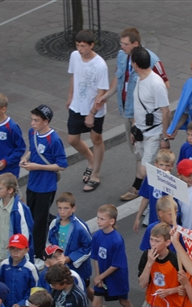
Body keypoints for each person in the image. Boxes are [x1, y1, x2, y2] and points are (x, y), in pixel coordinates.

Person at [95, 28, 169, 201]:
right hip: (131, 116)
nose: (121, 47)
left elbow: (165, 91)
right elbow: (119, 79)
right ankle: (150, 193)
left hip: (151, 126)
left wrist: (164, 134)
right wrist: (106, 96)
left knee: (147, 165)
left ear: (135, 44)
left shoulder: (151, 62)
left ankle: (152, 192)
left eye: (125, 44)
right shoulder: (124, 58)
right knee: (140, 155)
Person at [117, 46, 170, 201]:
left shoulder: (156, 84)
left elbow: (166, 111)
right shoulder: (140, 80)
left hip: (154, 134)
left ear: (135, 64)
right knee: (150, 169)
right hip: (141, 133)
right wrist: (134, 128)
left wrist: (164, 137)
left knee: (145, 170)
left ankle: (163, 197)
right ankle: (154, 198)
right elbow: (138, 107)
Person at [20, 104, 68, 266]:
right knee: (33, 216)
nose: (32, 123)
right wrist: (26, 158)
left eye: (36, 120)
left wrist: (37, 166)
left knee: (39, 222)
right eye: (32, 119)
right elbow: (32, 150)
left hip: (46, 186)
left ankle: (39, 254)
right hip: (33, 183)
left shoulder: (53, 139)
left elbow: (61, 164)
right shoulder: (32, 133)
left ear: (46, 121)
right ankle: (54, 221)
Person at [66, 30, 109, 193]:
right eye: (78, 45)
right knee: (72, 139)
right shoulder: (74, 56)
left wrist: (92, 113)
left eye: (83, 46)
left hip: (93, 109)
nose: (79, 49)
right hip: (77, 106)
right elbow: (74, 76)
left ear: (91, 45)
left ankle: (95, 174)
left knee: (96, 139)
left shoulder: (100, 65)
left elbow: (101, 92)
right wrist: (70, 96)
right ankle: (91, 160)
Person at [138, 223, 183, 307]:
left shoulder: (175, 260)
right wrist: (149, 263)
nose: (153, 244)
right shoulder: (147, 256)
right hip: (151, 305)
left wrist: (169, 291)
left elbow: (186, 285)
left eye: (157, 241)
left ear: (168, 242)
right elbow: (142, 283)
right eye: (151, 240)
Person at [47, 192, 93, 299]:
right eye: (59, 208)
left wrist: (68, 258)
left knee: (82, 290)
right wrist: (54, 256)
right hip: (61, 264)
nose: (62, 212)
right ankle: (96, 304)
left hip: (78, 269)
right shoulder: (54, 223)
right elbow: (49, 242)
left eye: (66, 208)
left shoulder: (79, 227)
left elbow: (88, 248)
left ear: (73, 208)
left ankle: (96, 305)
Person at [91, 204, 133, 307]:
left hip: (116, 277)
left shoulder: (117, 240)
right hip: (102, 276)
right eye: (98, 218)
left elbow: (116, 264)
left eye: (102, 219)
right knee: (95, 305)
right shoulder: (97, 236)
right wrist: (98, 276)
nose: (98, 221)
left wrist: (100, 276)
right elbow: (96, 258)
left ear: (111, 221)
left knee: (124, 301)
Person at [0, 173, 34, 270]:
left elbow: (25, 235)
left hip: (12, 256)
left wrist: (22, 256)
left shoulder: (19, 210)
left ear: (10, 190)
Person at [133, 150, 175, 233]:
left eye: (167, 165)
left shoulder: (172, 183)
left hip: (167, 223)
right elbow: (146, 198)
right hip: (153, 220)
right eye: (161, 164)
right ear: (156, 164)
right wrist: (138, 217)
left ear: (172, 166)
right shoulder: (150, 177)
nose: (164, 168)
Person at [0, 234, 39, 307]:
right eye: (12, 248)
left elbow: (35, 290)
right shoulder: (4, 265)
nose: (15, 252)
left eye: (19, 249)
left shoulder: (30, 268)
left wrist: (23, 303)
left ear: (26, 250)